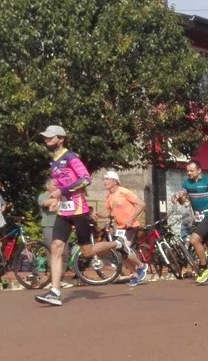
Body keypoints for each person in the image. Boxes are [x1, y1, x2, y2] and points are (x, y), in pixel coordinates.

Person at [35, 125, 118, 307]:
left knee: (87, 252)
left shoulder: (70, 156)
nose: (46, 140)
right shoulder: (54, 161)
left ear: (61, 139)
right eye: (45, 137)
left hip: (79, 209)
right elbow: (59, 188)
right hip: (64, 210)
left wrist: (62, 191)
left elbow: (86, 179)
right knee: (56, 247)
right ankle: (55, 292)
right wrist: (58, 198)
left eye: (50, 137)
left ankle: (119, 245)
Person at [101, 170, 148, 286]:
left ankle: (142, 265)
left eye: (107, 179)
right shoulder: (109, 196)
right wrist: (97, 214)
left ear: (114, 181)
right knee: (120, 252)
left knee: (124, 247)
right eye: (104, 179)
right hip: (120, 227)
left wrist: (132, 219)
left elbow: (141, 204)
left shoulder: (124, 192)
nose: (105, 182)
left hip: (131, 227)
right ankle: (136, 275)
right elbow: (107, 212)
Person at [37, 178, 58, 248]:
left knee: (64, 252)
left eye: (58, 185)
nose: (56, 187)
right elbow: (45, 203)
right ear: (47, 186)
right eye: (54, 185)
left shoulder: (62, 196)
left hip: (62, 225)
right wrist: (56, 199)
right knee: (50, 248)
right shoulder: (43, 196)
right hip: (49, 225)